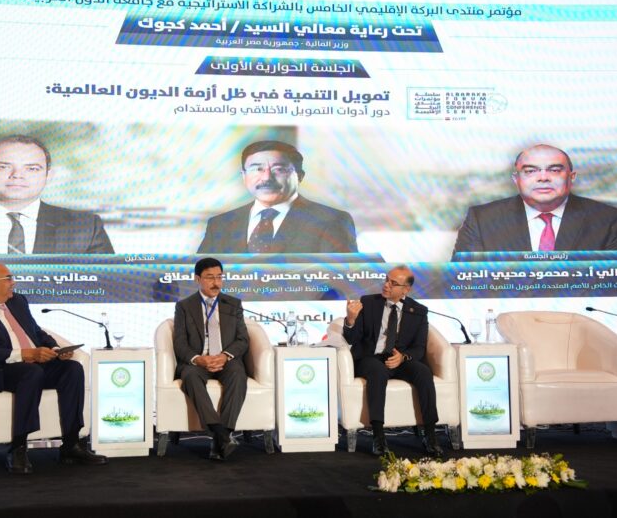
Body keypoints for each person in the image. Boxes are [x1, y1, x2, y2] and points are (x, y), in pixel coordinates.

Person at [0, 261, 108, 474]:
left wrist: (55, 349)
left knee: (72, 369)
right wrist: (26, 354)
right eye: (8, 278)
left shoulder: (17, 301)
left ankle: (71, 445)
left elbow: (36, 332)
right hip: (5, 370)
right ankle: (18, 448)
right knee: (31, 372)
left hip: (37, 364)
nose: (13, 282)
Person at [452, 144, 617, 259]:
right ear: (516, 179)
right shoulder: (482, 220)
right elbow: (462, 282)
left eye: (554, 170)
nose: (543, 178)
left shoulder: (610, 220)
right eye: (530, 171)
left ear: (571, 177)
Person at [343, 265, 443, 457]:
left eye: (393, 283)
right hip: (371, 358)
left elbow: (419, 347)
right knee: (378, 371)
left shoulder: (418, 311)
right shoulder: (368, 303)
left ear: (406, 289)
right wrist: (351, 320)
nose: (386, 285)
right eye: (386, 280)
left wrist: (403, 357)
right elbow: (351, 339)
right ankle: (378, 437)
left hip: (400, 359)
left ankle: (430, 435)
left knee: (423, 372)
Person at [197, 140, 360, 254]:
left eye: (279, 169)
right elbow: (197, 279)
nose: (267, 177)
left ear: (300, 176)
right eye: (257, 169)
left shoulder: (331, 221)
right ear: (244, 176)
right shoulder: (220, 224)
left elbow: (344, 282)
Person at [173, 257, 249, 460]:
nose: (216, 283)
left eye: (219, 277)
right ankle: (219, 432)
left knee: (238, 375)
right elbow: (180, 343)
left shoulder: (232, 304)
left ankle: (221, 437)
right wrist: (199, 359)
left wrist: (224, 356)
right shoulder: (184, 306)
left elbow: (242, 339)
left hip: (226, 360)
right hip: (198, 361)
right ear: (197, 279)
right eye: (209, 277)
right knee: (190, 376)